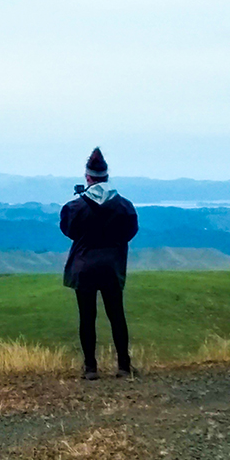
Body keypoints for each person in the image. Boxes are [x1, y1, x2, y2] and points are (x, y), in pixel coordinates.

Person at [59, 147, 139, 380]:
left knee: (87, 317)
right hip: (112, 267)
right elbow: (130, 232)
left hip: (84, 267)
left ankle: (90, 367)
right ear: (106, 176)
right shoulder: (124, 206)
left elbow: (68, 229)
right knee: (117, 315)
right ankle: (124, 366)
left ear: (88, 177)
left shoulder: (75, 207)